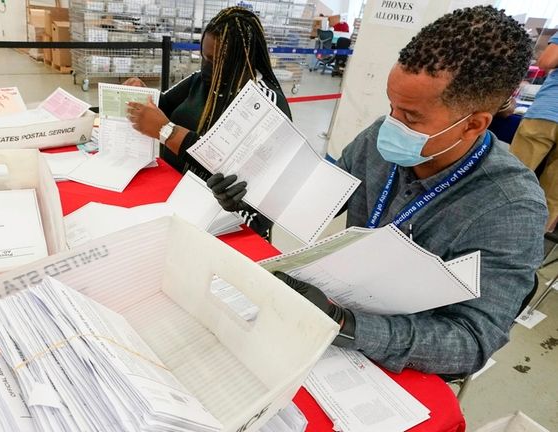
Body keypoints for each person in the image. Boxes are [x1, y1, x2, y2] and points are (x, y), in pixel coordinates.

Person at [211, 6, 547, 378]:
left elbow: (471, 342)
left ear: (474, 125)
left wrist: (345, 323)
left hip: (403, 352)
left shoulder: (510, 208)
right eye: (392, 106)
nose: (392, 123)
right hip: (335, 302)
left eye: (411, 116)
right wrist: (253, 200)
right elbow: (325, 196)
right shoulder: (378, 140)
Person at [124, 6, 291, 239]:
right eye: (203, 56)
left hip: (228, 225)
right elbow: (164, 105)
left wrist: (166, 131)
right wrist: (142, 96)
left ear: (243, 58)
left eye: (215, 60)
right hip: (179, 201)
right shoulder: (203, 80)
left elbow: (226, 165)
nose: (206, 66)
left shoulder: (265, 102)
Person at [510, 32, 558, 230]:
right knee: (553, 194)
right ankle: (532, 245)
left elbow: (547, 61)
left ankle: (492, 230)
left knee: (511, 177)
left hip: (547, 113)